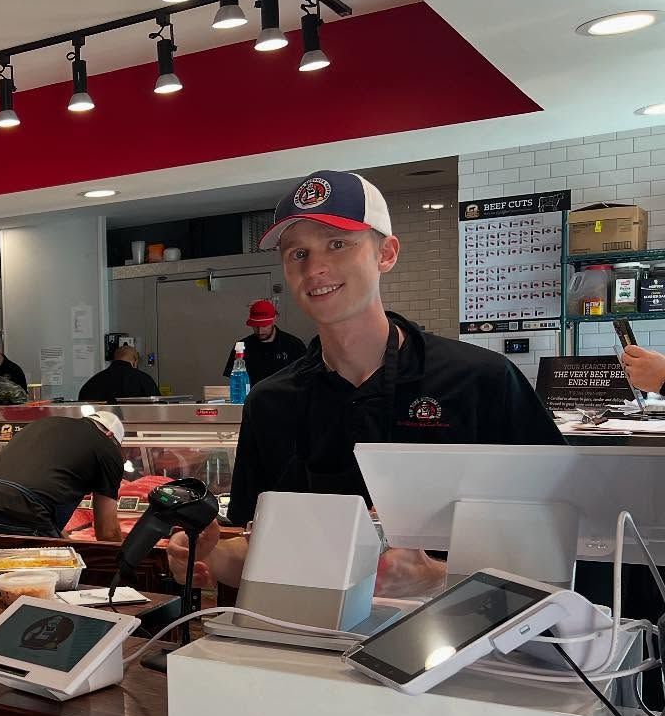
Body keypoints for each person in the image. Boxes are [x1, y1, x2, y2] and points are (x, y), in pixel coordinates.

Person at [170, 171, 562, 596]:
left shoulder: (480, 380)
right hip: (312, 642)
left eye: (338, 244)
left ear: (386, 253)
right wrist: (205, 556)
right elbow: (261, 553)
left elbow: (555, 542)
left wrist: (435, 578)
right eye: (297, 252)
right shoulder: (271, 402)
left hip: (460, 641)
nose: (315, 268)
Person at [0, 412, 127, 540]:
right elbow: (108, 532)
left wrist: (70, 545)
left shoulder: (43, 424)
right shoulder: (107, 447)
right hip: (24, 510)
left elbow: (39, 492)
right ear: (110, 434)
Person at [219, 299, 307, 387]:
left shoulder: (294, 345)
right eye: (255, 326)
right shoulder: (241, 347)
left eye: (264, 325)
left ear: (274, 319)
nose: (260, 331)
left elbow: (305, 378)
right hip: (252, 397)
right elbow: (235, 382)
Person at [78, 344, 160, 402]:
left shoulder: (94, 381)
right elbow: (158, 404)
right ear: (135, 361)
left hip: (102, 425)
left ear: (114, 359)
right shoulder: (144, 379)